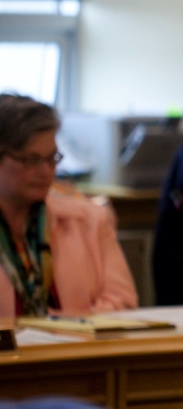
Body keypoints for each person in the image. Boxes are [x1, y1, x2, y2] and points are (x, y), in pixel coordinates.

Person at [0, 94, 138, 317]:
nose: (46, 172)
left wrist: (63, 329)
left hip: (76, 349)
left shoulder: (91, 219)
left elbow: (122, 302)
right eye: (32, 160)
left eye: (52, 158)